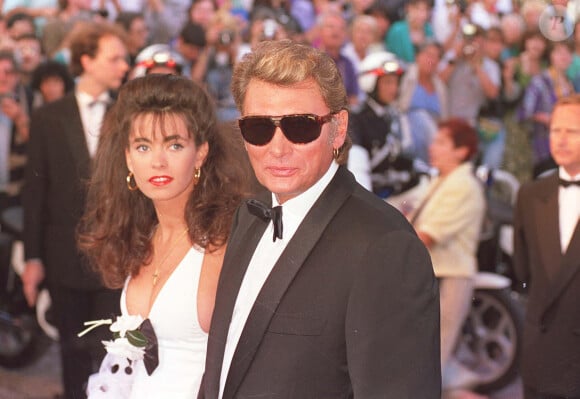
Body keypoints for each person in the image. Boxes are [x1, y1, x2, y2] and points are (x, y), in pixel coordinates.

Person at [198, 39, 441, 399]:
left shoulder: (385, 245)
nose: (278, 148)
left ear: (338, 129)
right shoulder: (248, 218)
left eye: (300, 127)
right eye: (259, 128)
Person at [77, 74, 252, 397]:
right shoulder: (139, 235)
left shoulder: (227, 239)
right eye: (143, 146)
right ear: (129, 158)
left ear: (200, 153)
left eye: (174, 144)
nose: (158, 161)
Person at [21, 21, 129, 399]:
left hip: (115, 259)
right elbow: (36, 192)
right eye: (114, 58)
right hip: (64, 257)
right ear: (87, 60)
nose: (123, 67)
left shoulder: (126, 115)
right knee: (72, 351)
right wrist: (33, 257)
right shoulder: (50, 117)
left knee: (111, 355)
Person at [408, 118, 486, 399]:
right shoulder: (438, 181)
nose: (433, 147)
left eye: (442, 142)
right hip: (432, 276)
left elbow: (425, 235)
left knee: (434, 357)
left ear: (461, 151)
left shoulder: (463, 185)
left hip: (450, 278)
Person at [513, 94, 580, 399]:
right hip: (542, 356)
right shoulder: (530, 195)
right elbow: (523, 269)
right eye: (556, 130)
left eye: (572, 131)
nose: (561, 140)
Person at [348, 50, 423, 197]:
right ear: (370, 82)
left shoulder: (394, 116)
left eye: (396, 82)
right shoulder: (355, 119)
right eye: (388, 82)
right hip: (372, 197)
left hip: (394, 192)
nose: (394, 89)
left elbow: (404, 158)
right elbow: (358, 169)